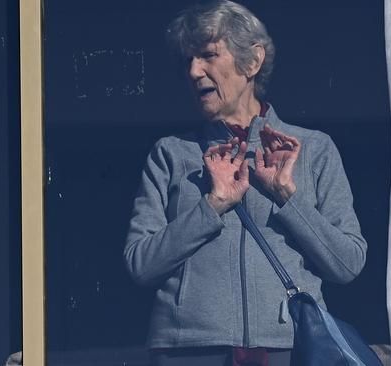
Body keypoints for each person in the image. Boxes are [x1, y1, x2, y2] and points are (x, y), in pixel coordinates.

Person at [123, 1, 368, 365]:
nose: (193, 71)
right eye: (188, 59)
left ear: (251, 62)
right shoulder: (171, 154)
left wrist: (287, 197)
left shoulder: (313, 149)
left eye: (208, 55)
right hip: (187, 350)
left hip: (289, 347)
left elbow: (347, 264)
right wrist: (213, 205)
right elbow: (140, 263)